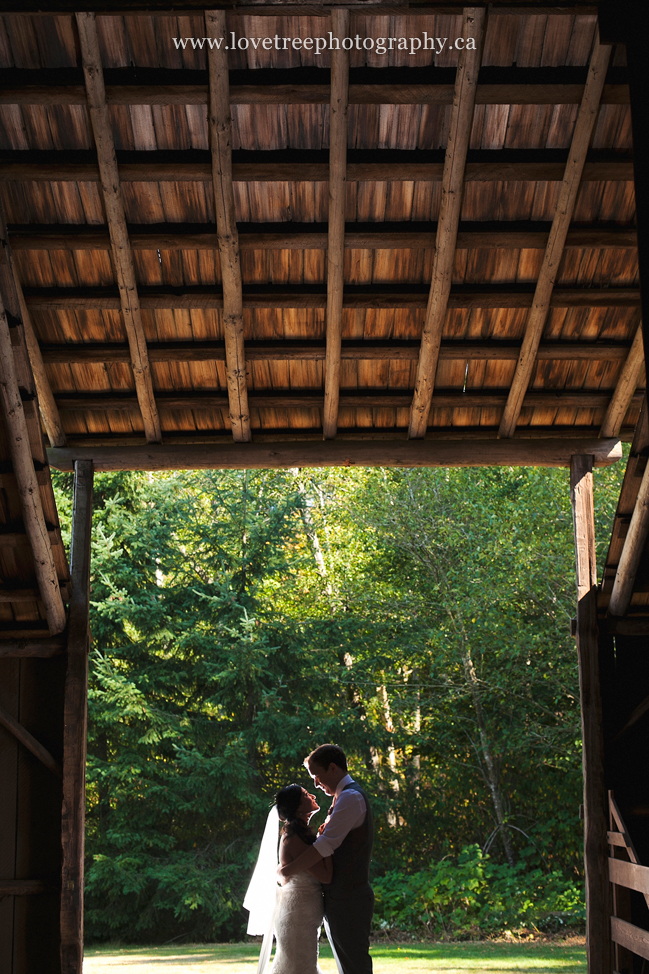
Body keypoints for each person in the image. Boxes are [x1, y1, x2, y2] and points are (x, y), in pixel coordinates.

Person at [277, 744, 374, 974]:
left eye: (317, 775)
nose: (315, 783)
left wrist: (286, 870)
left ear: (332, 768)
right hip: (337, 898)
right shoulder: (342, 797)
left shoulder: (350, 797)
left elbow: (325, 846)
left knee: (354, 965)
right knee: (347, 965)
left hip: (349, 898)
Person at [245, 783, 333, 974]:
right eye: (307, 795)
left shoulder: (300, 833)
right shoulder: (295, 837)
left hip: (302, 913)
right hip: (298, 914)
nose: (314, 796)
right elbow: (325, 875)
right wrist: (328, 843)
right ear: (299, 807)